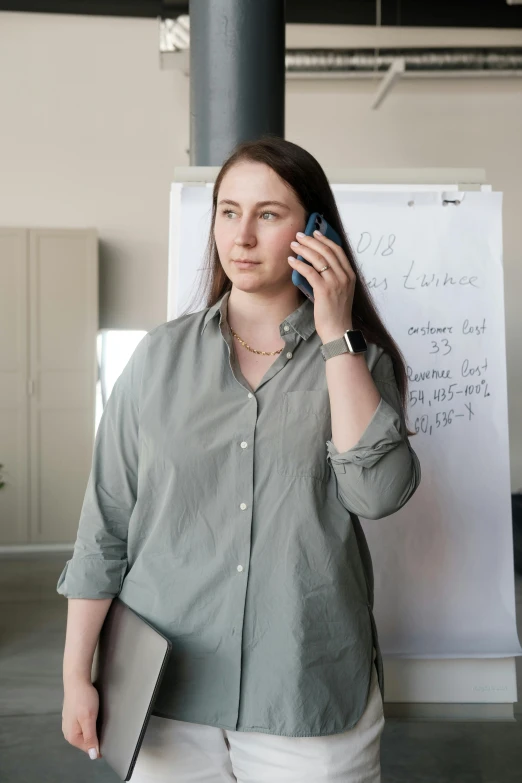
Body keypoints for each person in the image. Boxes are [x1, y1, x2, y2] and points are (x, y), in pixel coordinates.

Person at [58, 135, 421, 782]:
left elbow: (379, 493)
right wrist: (75, 673)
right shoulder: (157, 360)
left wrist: (337, 334)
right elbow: (104, 527)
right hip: (166, 692)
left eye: (269, 213)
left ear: (316, 231)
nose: (242, 235)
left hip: (307, 686)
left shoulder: (361, 362)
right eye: (228, 211)